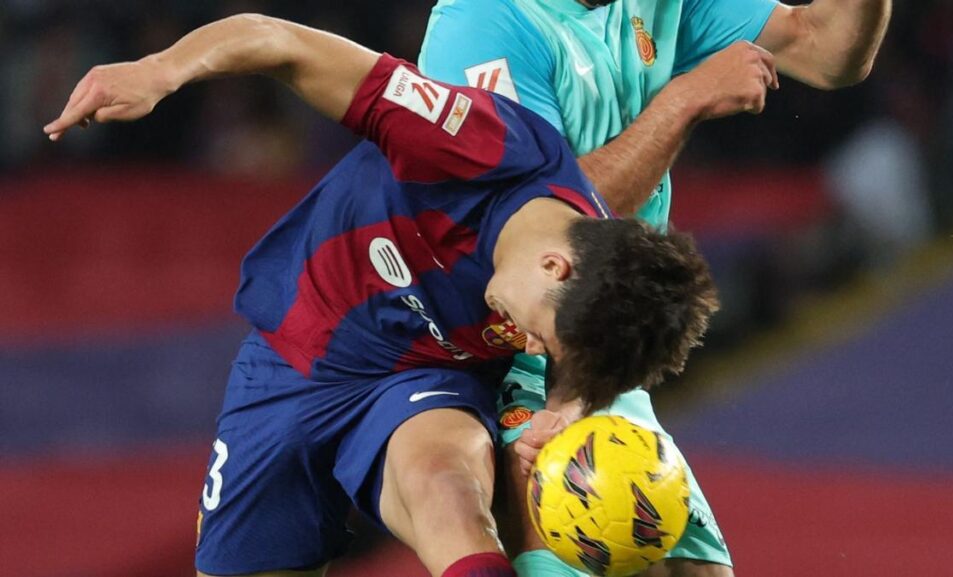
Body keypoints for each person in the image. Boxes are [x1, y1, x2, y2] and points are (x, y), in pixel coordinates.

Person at [43, 13, 729, 577]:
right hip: (291, 358)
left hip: (425, 378)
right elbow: (281, 41)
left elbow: (581, 356)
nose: (525, 347)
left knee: (444, 487)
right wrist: (160, 70)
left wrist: (564, 408)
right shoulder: (471, 140)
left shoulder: (592, 286)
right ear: (553, 266)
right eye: (538, 335)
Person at [419, 0, 892, 575]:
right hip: (507, 346)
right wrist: (685, 98)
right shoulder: (485, 22)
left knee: (697, 571)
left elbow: (827, 48)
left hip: (603, 346)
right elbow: (534, 225)